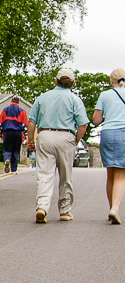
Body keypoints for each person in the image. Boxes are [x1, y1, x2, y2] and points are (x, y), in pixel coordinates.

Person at [26, 68, 89, 223]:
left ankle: (42, 207)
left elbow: (31, 122)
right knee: (66, 175)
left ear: (56, 81)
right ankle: (65, 211)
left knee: (45, 175)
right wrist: (76, 140)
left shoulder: (42, 97)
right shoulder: (75, 100)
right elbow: (83, 125)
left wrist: (31, 141)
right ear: (73, 83)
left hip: (45, 135)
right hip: (66, 136)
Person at [91, 68, 125, 224]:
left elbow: (96, 120)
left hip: (108, 133)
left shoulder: (104, 95)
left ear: (112, 80)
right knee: (121, 174)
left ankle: (112, 208)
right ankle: (115, 209)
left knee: (110, 173)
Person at [0, 96, 29, 173]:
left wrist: (0, 133)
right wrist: (26, 134)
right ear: (18, 102)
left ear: (11, 101)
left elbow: (0, 123)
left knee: (7, 148)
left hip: (8, 132)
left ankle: (7, 159)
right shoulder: (22, 111)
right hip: (18, 132)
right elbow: (25, 124)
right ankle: (14, 169)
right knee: (16, 150)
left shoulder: (5, 110)